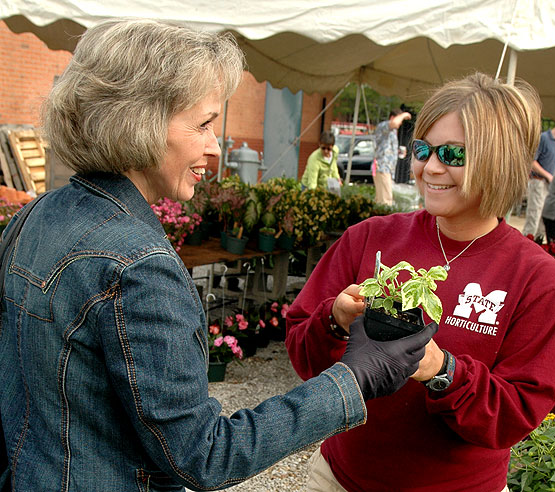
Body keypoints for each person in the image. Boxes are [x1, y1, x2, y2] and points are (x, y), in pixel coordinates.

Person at [0, 20, 438, 491]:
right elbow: (203, 454)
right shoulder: (138, 265)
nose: (215, 145)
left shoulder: (39, 213)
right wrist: (354, 379)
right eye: (204, 123)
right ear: (140, 121)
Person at [286, 73, 555, 492]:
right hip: (339, 479)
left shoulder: (539, 280)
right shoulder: (369, 238)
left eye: (454, 154)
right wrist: (334, 319)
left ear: (499, 160)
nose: (430, 167)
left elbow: (517, 413)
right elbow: (303, 353)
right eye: (423, 149)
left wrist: (442, 370)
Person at [521, 118, 555, 238]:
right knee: (534, 217)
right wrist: (548, 175)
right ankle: (526, 244)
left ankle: (538, 245)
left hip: (549, 186)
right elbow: (532, 162)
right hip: (539, 182)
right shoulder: (544, 138)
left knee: (543, 220)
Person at [372, 109, 412, 206]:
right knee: (385, 200)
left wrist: (399, 151)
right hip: (382, 167)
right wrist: (404, 115)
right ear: (392, 117)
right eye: (400, 120)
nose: (400, 124)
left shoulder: (393, 132)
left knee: (382, 198)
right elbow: (394, 123)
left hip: (388, 169)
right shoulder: (383, 126)